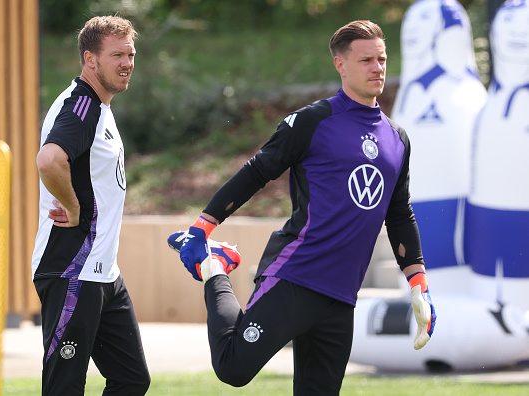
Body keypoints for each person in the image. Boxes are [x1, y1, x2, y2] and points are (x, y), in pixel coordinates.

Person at [170, 20, 436, 395]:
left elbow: (398, 213)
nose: (378, 68)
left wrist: (418, 285)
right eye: (366, 61)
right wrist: (202, 229)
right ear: (340, 65)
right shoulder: (313, 121)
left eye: (382, 59)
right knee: (233, 368)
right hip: (296, 277)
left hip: (343, 295)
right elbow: (255, 172)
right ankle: (215, 267)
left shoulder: (398, 140)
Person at [31, 15, 150, 395]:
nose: (127, 63)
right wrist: (73, 206)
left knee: (132, 380)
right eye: (116, 55)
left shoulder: (101, 107)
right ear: (90, 60)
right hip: (71, 270)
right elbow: (50, 160)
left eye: (130, 54)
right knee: (64, 388)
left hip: (103, 274)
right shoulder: (83, 105)